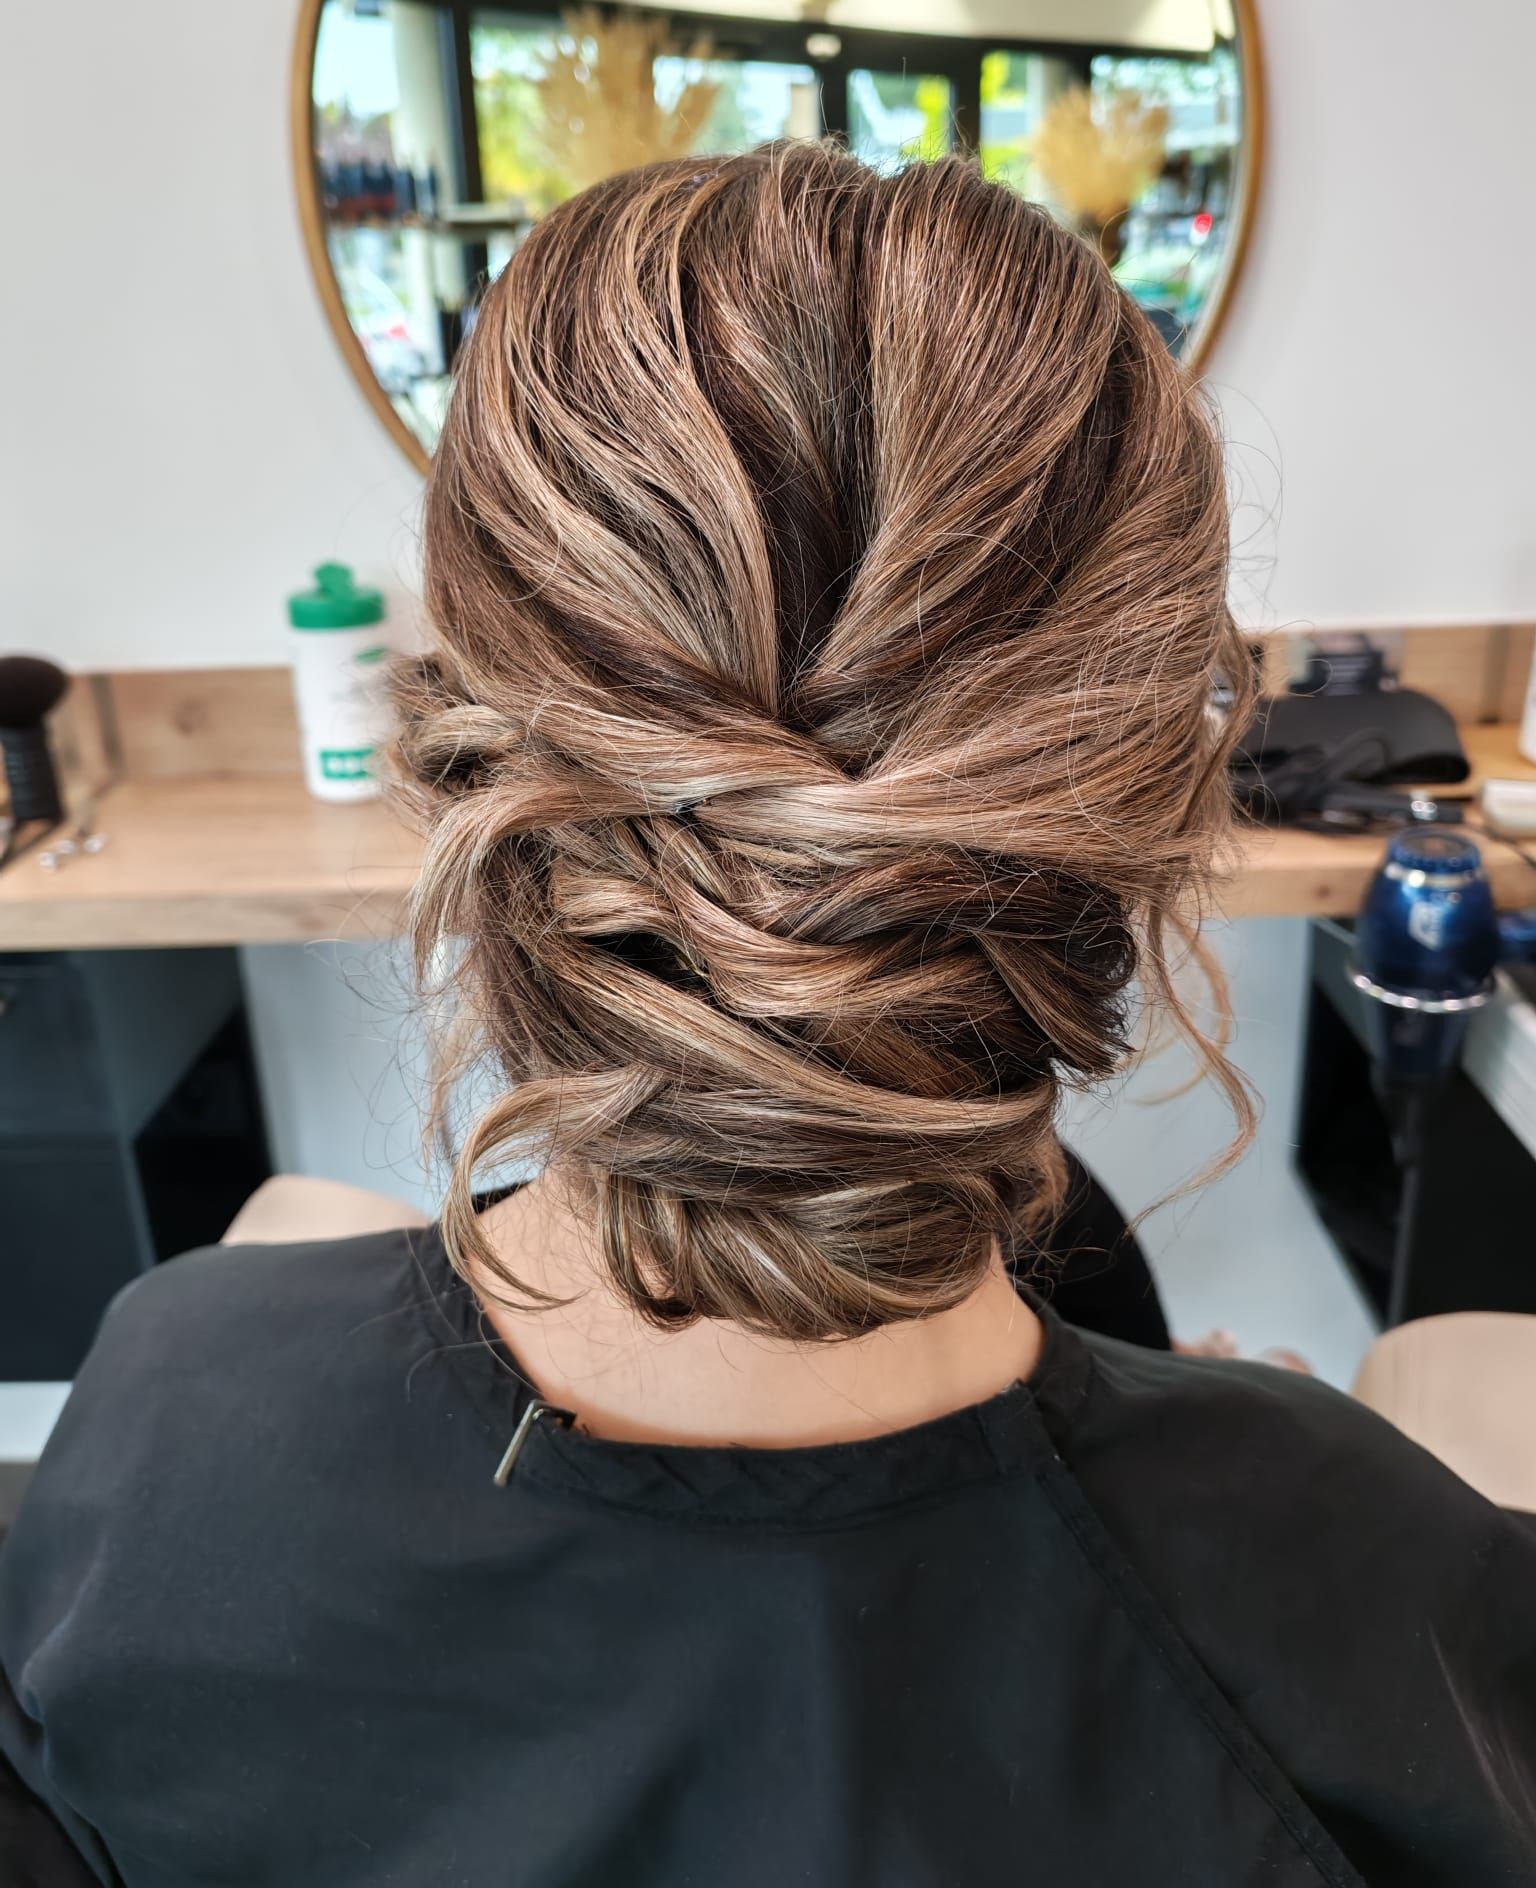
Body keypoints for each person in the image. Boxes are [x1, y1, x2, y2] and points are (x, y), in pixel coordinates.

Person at [3, 144, 1533, 1886]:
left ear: (478, 743)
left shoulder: (161, 1430)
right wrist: (1217, 1472)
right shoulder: (1373, 1589)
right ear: (1143, 794)